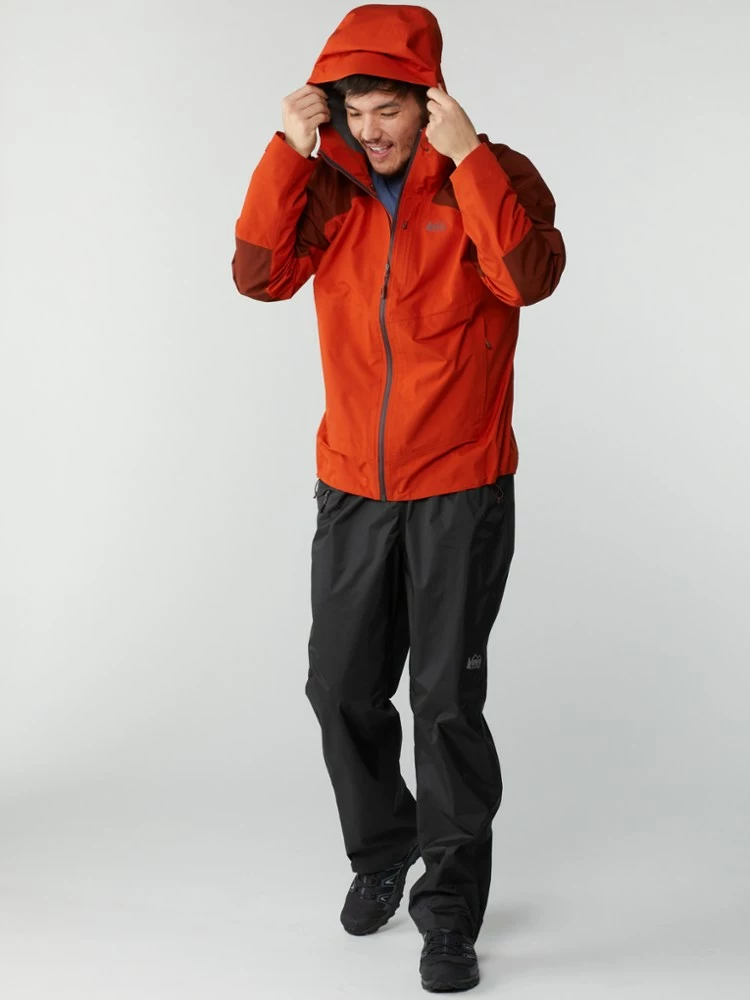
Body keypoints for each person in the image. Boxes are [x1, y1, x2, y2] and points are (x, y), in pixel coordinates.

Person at [232, 3, 565, 992]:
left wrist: (472, 162)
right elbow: (257, 276)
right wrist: (287, 154)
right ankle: (383, 852)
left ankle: (449, 913)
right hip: (353, 485)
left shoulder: (493, 174)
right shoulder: (326, 187)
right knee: (339, 686)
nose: (370, 129)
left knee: (444, 701)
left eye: (388, 109)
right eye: (354, 111)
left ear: (429, 104)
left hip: (461, 485)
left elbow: (527, 278)